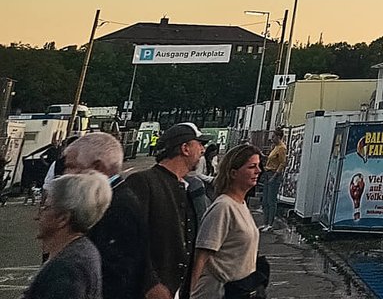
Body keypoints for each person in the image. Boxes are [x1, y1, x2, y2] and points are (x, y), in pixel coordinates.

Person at [93, 121, 204, 299]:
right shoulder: (143, 182)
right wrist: (149, 284)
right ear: (185, 148)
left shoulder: (186, 187)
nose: (203, 150)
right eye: (200, 144)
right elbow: (127, 241)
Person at [24, 172, 112, 299]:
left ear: (63, 218)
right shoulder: (82, 250)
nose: (39, 214)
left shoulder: (67, 269)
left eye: (46, 207)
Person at [189, 145, 262, 299]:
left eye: (258, 166)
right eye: (252, 166)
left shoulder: (241, 205)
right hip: (218, 292)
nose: (258, 171)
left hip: (240, 290)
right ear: (233, 173)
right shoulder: (223, 207)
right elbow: (201, 256)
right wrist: (190, 293)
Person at [258, 131, 287, 231]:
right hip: (267, 172)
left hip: (273, 174)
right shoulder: (274, 147)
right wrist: (264, 157)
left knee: (271, 200)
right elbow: (272, 159)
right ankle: (265, 222)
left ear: (278, 137)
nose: (272, 138)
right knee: (265, 199)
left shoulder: (282, 148)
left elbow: (282, 163)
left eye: (273, 136)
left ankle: (270, 224)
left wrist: (274, 176)